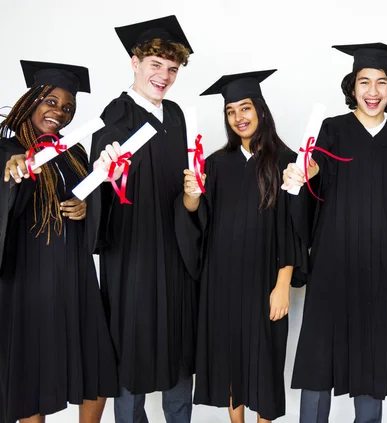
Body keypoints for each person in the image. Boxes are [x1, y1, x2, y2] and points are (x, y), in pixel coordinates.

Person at [281, 42, 387, 423]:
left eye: (381, 82)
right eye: (364, 81)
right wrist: (303, 174)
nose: (373, 91)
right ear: (352, 86)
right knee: (318, 363)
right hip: (331, 266)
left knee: (370, 369)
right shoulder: (331, 132)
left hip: (380, 272)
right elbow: (311, 182)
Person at [176, 70, 307, 422]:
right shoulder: (215, 164)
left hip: (265, 282)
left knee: (265, 366)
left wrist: (282, 286)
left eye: (245, 108)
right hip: (221, 284)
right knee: (231, 363)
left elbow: (294, 229)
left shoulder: (287, 163)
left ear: (261, 110)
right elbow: (195, 217)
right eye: (231, 111)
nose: (239, 118)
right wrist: (191, 196)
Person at [87, 15, 197, 423]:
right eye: (155, 65)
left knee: (177, 346)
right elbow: (99, 182)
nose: (164, 76)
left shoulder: (178, 116)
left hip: (176, 252)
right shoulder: (116, 114)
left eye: (172, 69)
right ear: (135, 62)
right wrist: (106, 176)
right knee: (131, 346)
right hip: (132, 255)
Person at [0, 60, 118, 423]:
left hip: (75, 275)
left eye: (68, 107)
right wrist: (14, 170)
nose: (60, 112)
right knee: (30, 375)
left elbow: (92, 199)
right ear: (30, 101)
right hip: (29, 280)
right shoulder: (8, 151)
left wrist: (86, 207)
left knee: (98, 369)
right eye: (51, 101)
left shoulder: (73, 153)